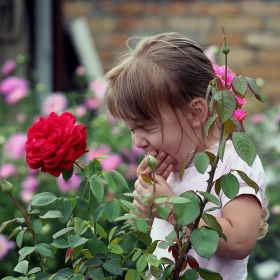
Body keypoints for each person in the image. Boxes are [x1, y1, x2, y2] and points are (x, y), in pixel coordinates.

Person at [104, 32, 268, 280]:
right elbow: (161, 236)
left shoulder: (234, 162)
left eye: (147, 128)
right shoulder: (172, 166)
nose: (137, 142)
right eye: (131, 129)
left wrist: (172, 207)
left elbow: (239, 242)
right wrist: (146, 208)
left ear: (195, 113)